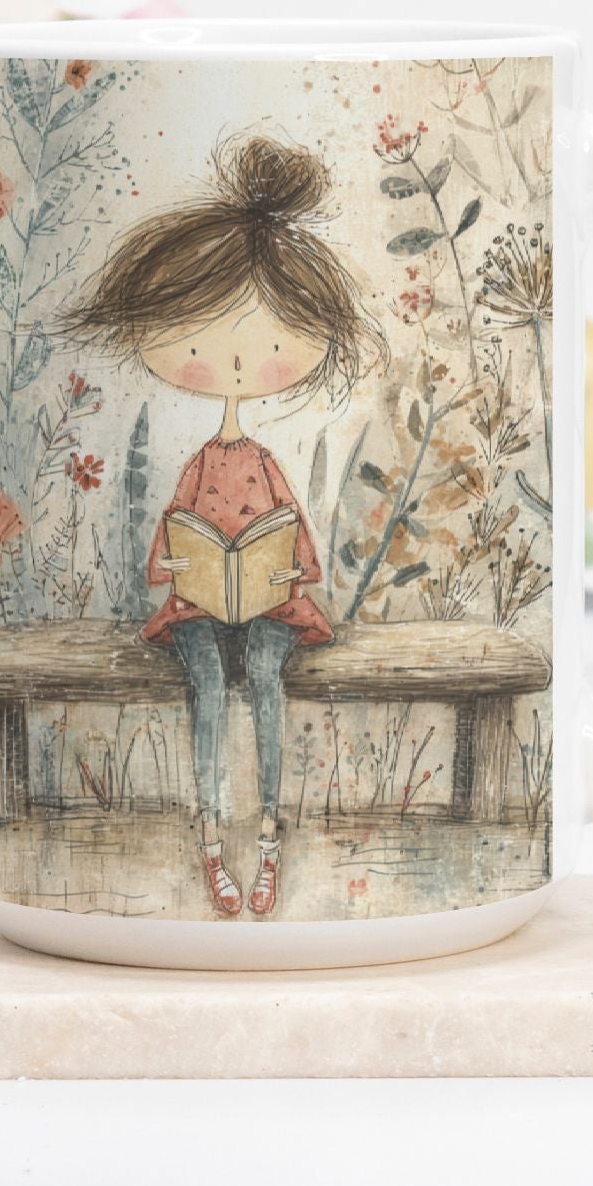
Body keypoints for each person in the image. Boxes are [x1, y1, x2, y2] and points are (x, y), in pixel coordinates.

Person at [62, 134, 382, 917]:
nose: (233, 363)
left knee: (267, 679)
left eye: (270, 343)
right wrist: (178, 572)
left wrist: (280, 576)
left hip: (269, 601)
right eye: (199, 341)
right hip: (201, 602)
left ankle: (267, 838)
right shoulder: (200, 462)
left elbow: (294, 541)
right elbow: (175, 532)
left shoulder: (264, 459)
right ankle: (212, 842)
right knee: (205, 683)